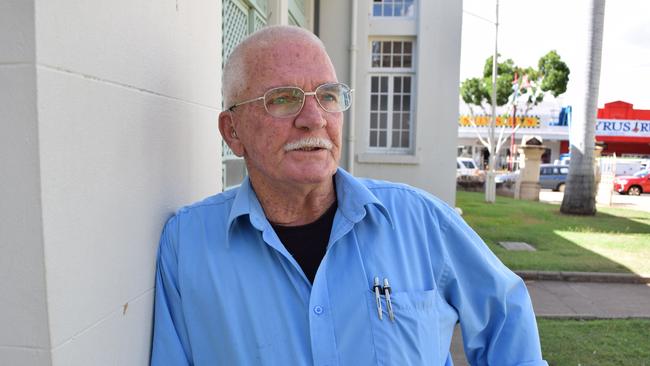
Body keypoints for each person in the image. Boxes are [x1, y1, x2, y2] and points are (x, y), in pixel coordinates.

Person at [151, 25, 547, 366]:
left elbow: (506, 317)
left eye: (327, 95)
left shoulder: (420, 222)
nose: (314, 118)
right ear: (233, 132)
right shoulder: (187, 246)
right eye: (283, 99)